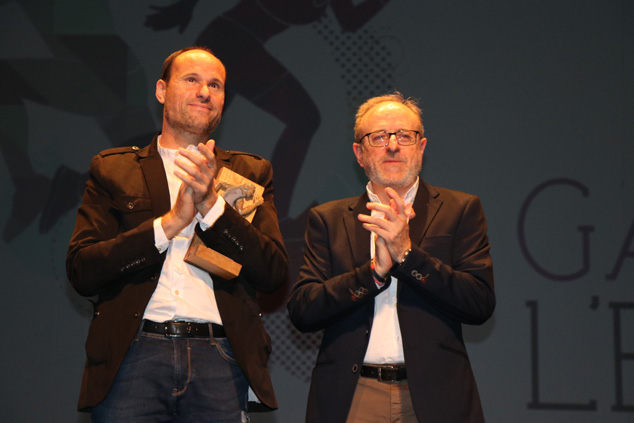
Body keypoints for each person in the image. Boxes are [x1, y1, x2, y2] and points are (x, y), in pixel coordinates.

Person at [66, 47, 288, 422]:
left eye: (215, 85)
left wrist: (213, 207)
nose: (204, 92)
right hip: (133, 355)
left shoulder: (248, 172)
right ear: (161, 90)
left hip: (220, 357)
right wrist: (170, 223)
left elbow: (272, 272)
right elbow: (82, 270)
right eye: (192, 80)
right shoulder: (114, 169)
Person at [287, 92, 495, 423]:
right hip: (354, 395)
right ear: (359, 154)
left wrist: (408, 256)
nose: (393, 146)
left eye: (404, 136)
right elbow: (304, 310)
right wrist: (373, 274)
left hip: (436, 395)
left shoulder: (460, 209)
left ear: (421, 147)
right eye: (379, 137)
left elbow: (479, 303)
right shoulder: (328, 219)